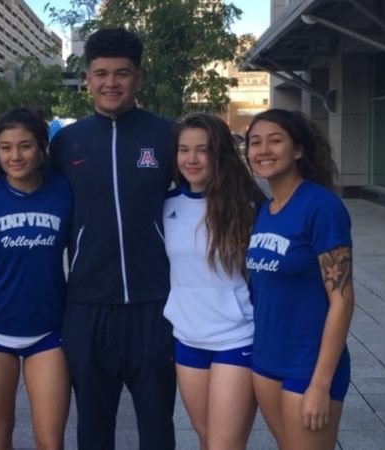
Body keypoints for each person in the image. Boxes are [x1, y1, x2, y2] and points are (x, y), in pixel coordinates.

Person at [49, 27, 176, 450]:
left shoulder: (166, 135)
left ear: (138, 77)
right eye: (101, 73)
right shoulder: (66, 142)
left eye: (121, 73)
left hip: (155, 303)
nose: (111, 83)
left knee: (157, 427)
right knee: (93, 428)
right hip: (87, 305)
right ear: (87, 78)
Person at [245, 109, 355, 450]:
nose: (263, 150)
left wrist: (320, 384)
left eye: (275, 141)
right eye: (255, 143)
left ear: (297, 150)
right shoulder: (263, 211)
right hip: (265, 361)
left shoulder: (321, 206)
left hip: (307, 365)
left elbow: (342, 299)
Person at [163, 113, 265, 450]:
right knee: (206, 438)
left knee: (224, 444)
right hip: (187, 338)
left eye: (202, 150)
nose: (191, 159)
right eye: (184, 150)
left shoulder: (247, 207)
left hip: (236, 338)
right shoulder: (166, 205)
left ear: (218, 153)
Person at [0, 107, 72, 450]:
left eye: (25, 146)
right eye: (5, 147)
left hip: (48, 330)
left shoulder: (63, 190)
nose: (15, 156)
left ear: (42, 149)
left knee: (50, 441)